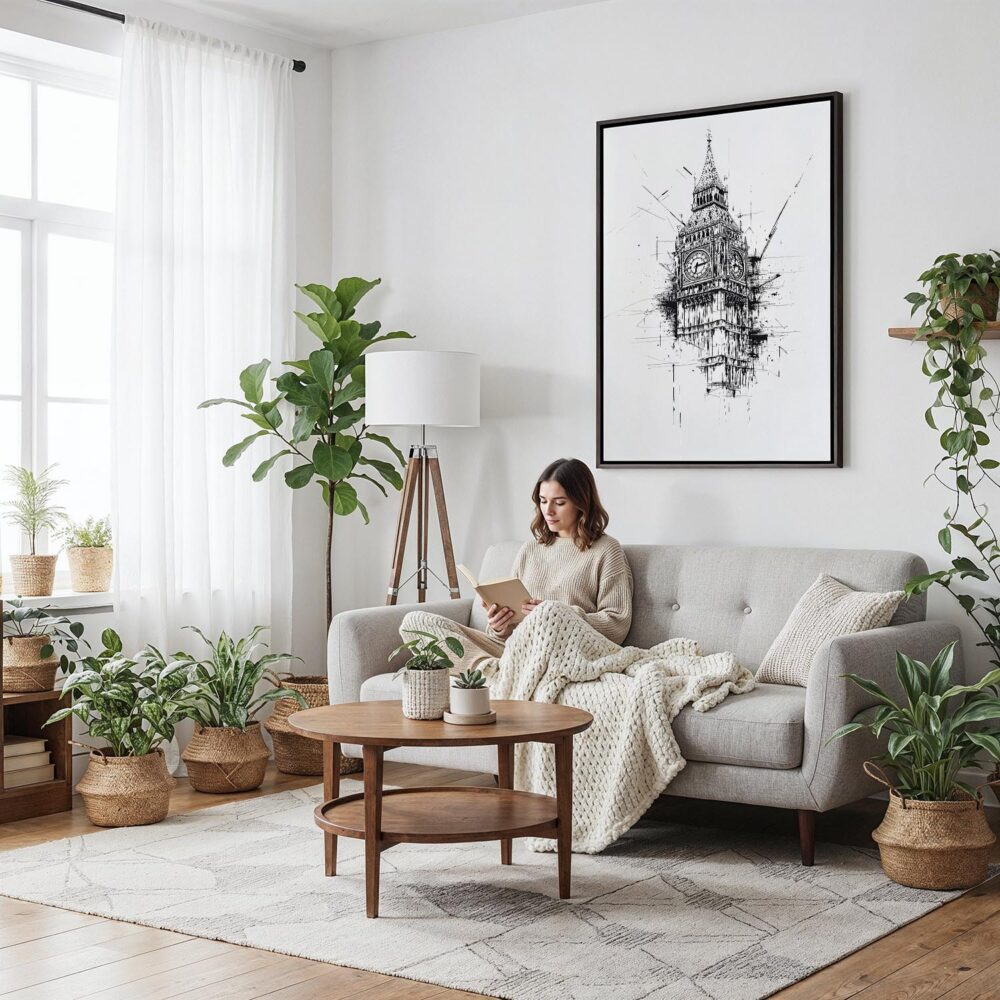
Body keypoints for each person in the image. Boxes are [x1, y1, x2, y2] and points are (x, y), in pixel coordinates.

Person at [399, 457, 633, 676]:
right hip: (515, 649)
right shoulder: (530, 549)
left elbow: (617, 624)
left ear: (582, 503)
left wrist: (557, 614)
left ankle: (498, 675)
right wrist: (500, 626)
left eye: (559, 502)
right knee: (415, 622)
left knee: (550, 613)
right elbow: (506, 634)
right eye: (543, 501)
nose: (548, 511)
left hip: (565, 652)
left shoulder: (606, 550)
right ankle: (490, 671)